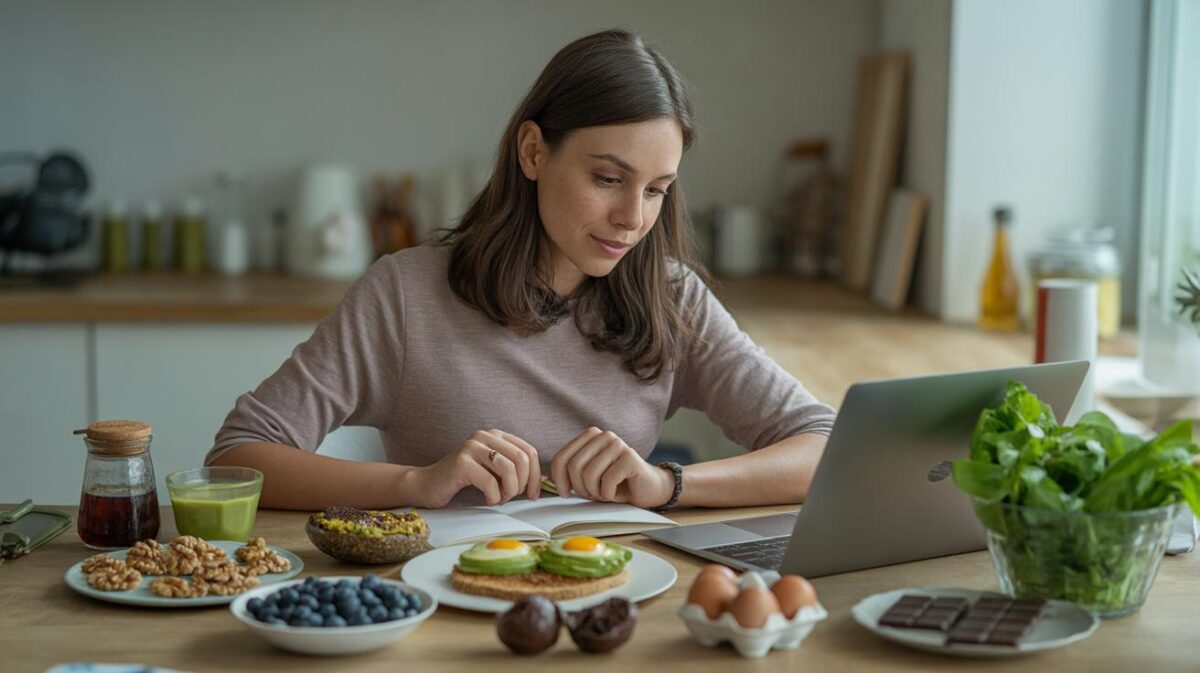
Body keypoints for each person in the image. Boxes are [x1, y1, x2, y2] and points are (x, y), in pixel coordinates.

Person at [206, 29, 836, 511]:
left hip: (612, 608)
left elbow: (825, 445)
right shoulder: (405, 295)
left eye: (656, 190)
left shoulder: (671, 297)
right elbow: (236, 457)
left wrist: (665, 484)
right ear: (533, 151)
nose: (631, 217)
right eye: (608, 179)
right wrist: (416, 482)